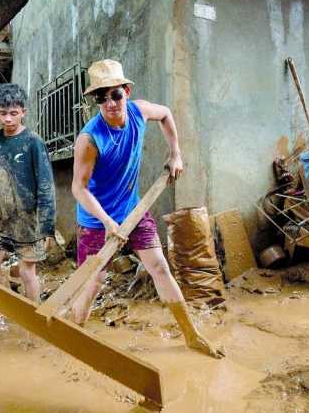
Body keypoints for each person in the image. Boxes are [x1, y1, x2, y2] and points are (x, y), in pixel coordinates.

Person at [70, 59, 223, 358]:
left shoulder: (139, 112)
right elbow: (79, 187)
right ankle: (76, 335)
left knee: (160, 267)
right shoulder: (90, 139)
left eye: (115, 94)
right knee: (93, 280)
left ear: (126, 91)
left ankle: (191, 335)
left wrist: (175, 153)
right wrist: (106, 222)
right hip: (95, 219)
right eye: (101, 97)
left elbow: (165, 114)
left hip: (133, 209)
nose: (110, 103)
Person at [0, 83, 55, 303]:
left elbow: (46, 185)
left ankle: (34, 322)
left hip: (28, 221)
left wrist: (47, 227)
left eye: (14, 113)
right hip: (2, 219)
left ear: (23, 112)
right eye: (3, 114)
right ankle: (12, 306)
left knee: (26, 273)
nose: (8, 119)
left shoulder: (33, 142)